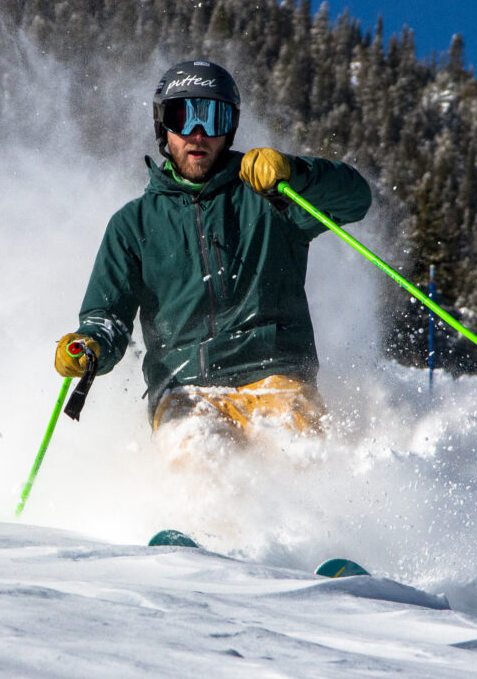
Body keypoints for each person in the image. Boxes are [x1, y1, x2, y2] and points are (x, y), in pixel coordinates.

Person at [54, 58, 372, 455]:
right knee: (198, 454)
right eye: (182, 117)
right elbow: (108, 317)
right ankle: (194, 518)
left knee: (297, 446)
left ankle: (314, 516)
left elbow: (356, 200)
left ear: (231, 127)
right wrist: (89, 345)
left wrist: (296, 173)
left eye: (213, 117)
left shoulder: (268, 193)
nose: (198, 133)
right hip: (185, 387)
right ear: (162, 126)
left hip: (276, 374)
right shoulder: (134, 224)